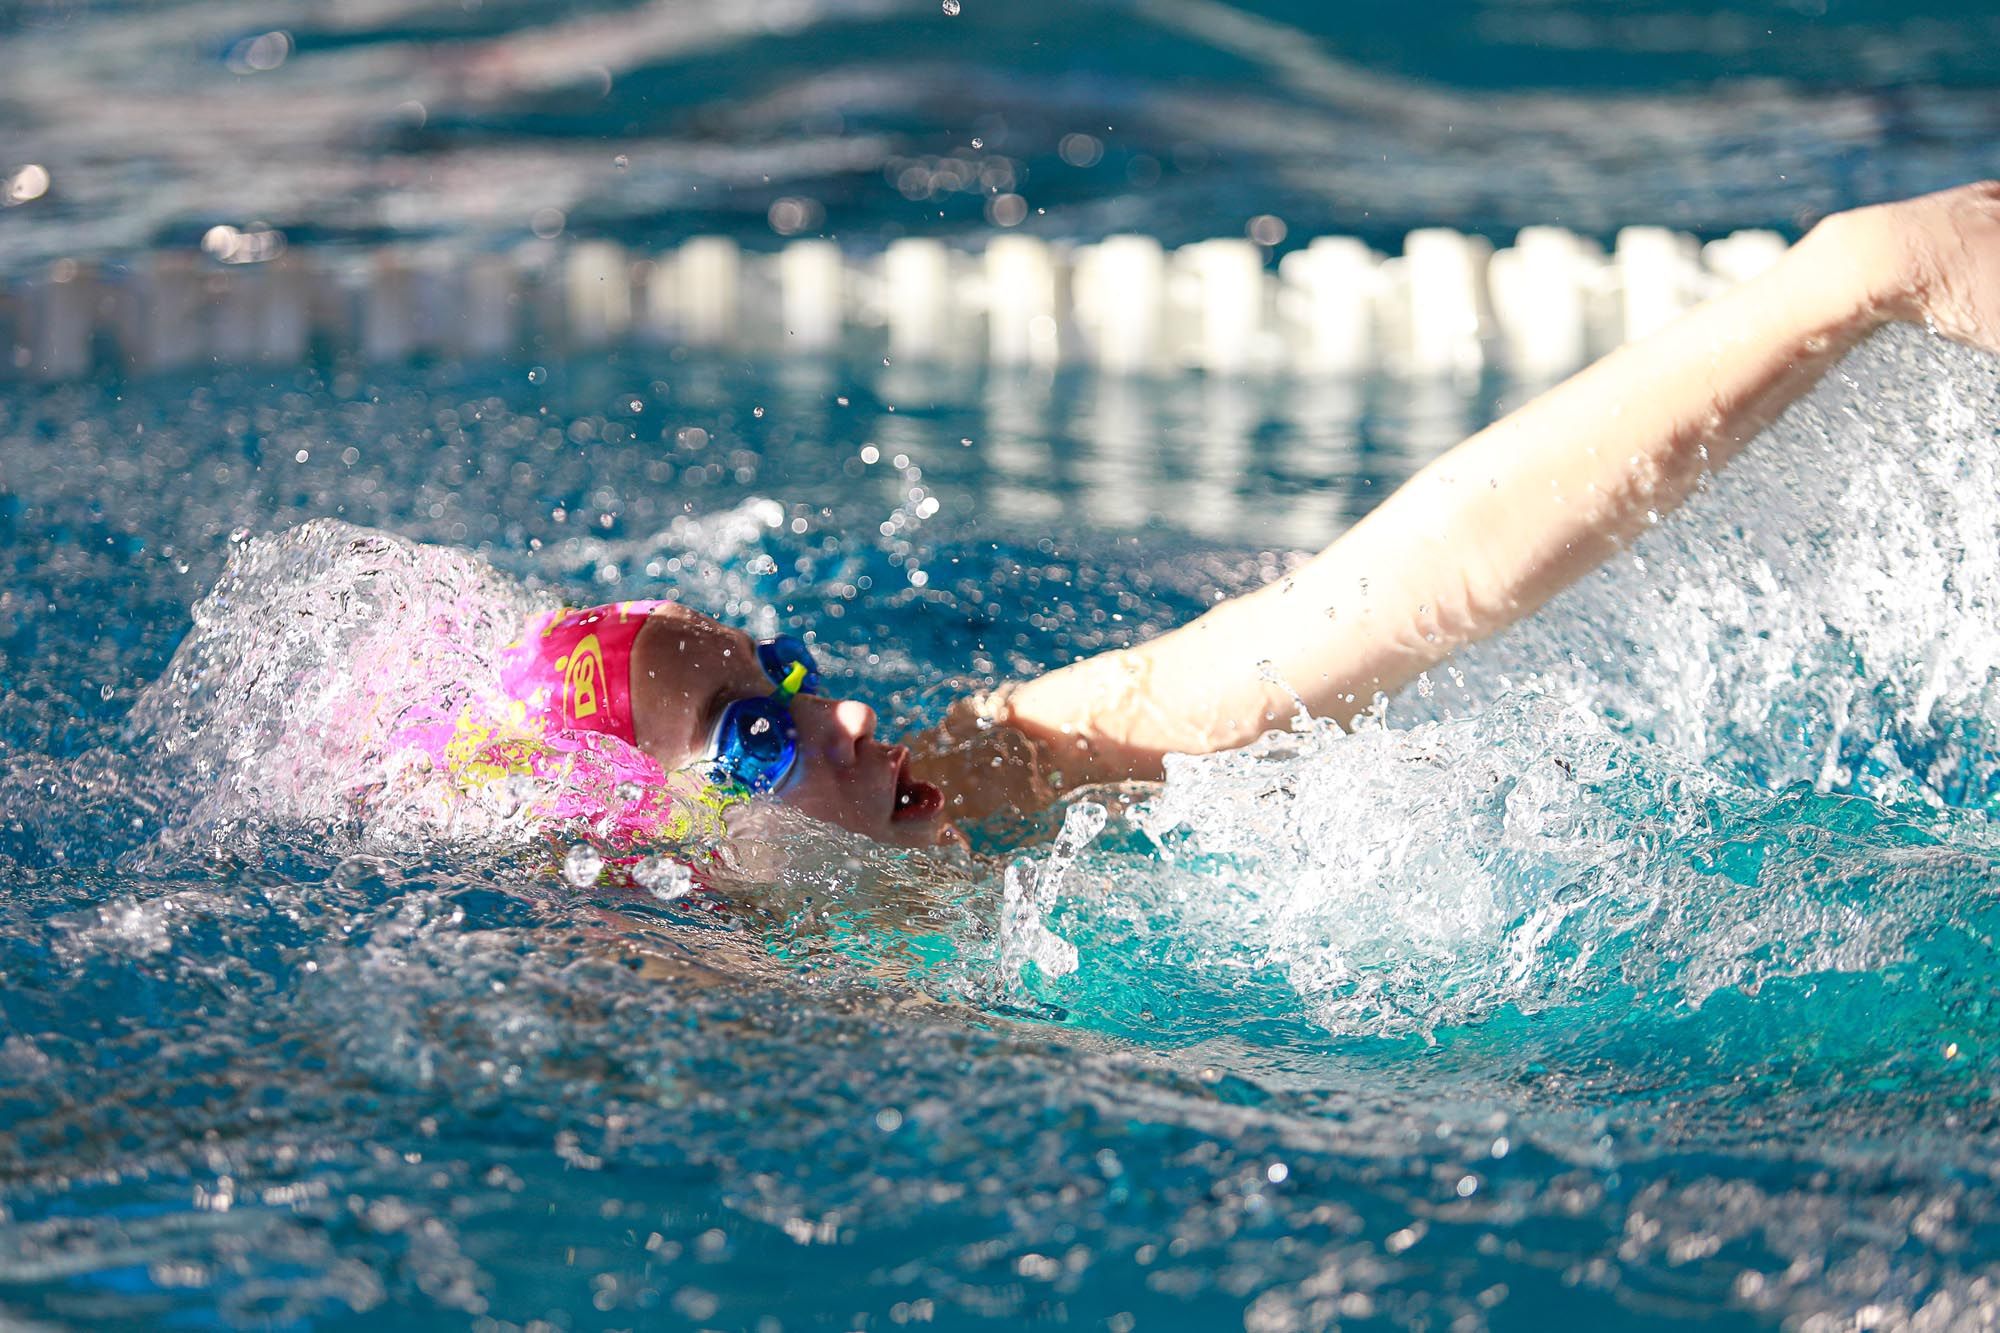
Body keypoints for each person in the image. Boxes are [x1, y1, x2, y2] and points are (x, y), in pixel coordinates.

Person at [433, 182, 2000, 852]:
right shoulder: (646, 1028)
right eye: (758, 741)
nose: (838, 707)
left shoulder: (977, 780)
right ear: (657, 862)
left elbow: (1384, 596)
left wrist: (1844, 280)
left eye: (779, 672)